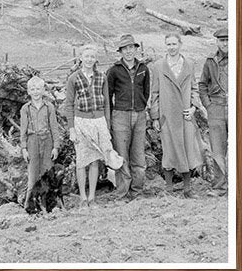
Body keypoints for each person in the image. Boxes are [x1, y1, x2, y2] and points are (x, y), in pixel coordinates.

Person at [64, 44, 124, 208]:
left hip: (98, 122)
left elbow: (106, 103)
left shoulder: (101, 77)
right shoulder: (73, 78)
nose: (89, 59)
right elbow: (68, 105)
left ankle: (92, 197)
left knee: (95, 160)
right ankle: (83, 198)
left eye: (92, 56)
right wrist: (72, 129)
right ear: (81, 58)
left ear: (96, 59)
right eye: (86, 56)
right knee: (82, 160)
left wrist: (107, 125)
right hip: (81, 122)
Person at [149, 32, 204, 198]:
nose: (171, 47)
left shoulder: (188, 64)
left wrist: (194, 107)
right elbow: (155, 93)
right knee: (169, 151)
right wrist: (156, 117)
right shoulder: (159, 66)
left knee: (187, 149)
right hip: (168, 116)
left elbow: (194, 88)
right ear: (165, 46)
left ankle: (188, 189)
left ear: (180, 44)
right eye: (168, 44)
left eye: (174, 44)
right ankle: (169, 189)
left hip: (185, 115)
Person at [105, 34, 151, 200]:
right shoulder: (114, 70)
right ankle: (122, 191)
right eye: (125, 48)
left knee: (138, 154)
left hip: (139, 114)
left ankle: (137, 190)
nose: (129, 51)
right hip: (121, 115)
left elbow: (146, 91)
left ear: (135, 49)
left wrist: (141, 107)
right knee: (121, 154)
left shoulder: (143, 69)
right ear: (121, 51)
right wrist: (111, 117)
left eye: (131, 47)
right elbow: (108, 95)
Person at [19, 75, 61, 212]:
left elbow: (54, 127)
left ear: (43, 90)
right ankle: (28, 205)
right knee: (32, 175)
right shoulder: (25, 108)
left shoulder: (49, 107)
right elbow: (23, 130)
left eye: (38, 89)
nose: (36, 92)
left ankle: (50, 205)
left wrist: (56, 146)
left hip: (47, 140)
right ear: (28, 91)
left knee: (47, 174)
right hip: (32, 141)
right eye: (32, 89)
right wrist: (24, 148)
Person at [198, 27, 229, 192]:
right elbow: (202, 84)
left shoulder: (241, 56)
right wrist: (208, 105)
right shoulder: (210, 61)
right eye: (222, 40)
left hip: (235, 106)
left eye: (228, 40)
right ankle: (219, 186)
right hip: (216, 107)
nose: (225, 43)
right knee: (218, 149)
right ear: (217, 42)